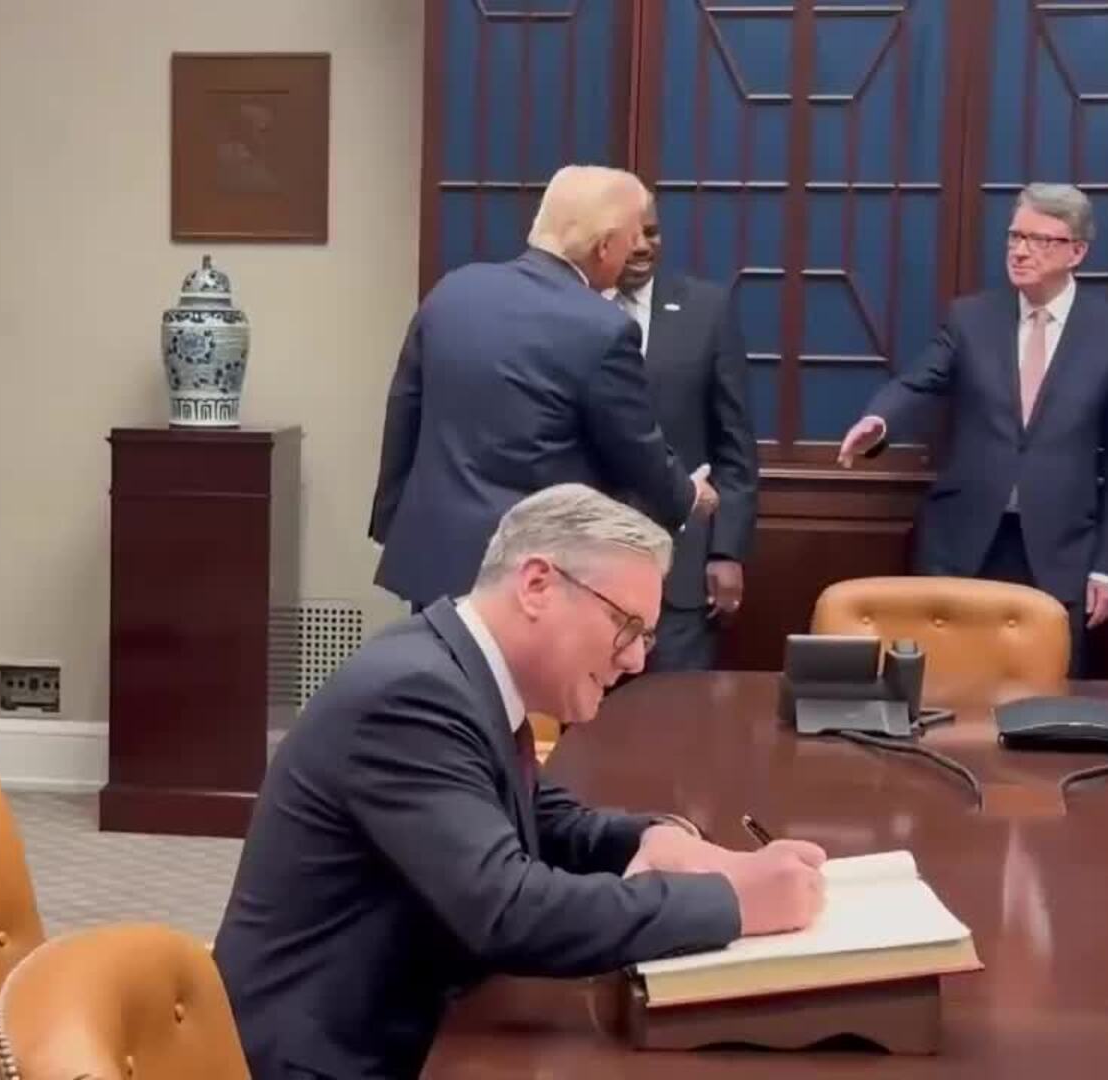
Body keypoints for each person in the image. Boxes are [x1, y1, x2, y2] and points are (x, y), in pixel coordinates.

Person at [215, 484, 827, 1079]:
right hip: (334, 1057)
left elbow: (542, 818)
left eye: (644, 637)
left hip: (416, 1022)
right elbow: (507, 910)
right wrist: (734, 903)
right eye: (626, 626)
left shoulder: (458, 671)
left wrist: (652, 839)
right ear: (537, 585)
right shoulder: (412, 694)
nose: (636, 659)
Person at [368, 165, 717, 612]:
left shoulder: (453, 292)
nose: (637, 250)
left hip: (437, 561)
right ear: (604, 246)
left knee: (442, 660)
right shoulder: (603, 329)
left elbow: (404, 412)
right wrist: (687, 496)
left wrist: (390, 522)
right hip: (532, 574)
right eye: (632, 239)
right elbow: (635, 447)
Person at [836, 183, 1108, 673]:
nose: (1020, 251)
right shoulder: (972, 317)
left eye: (1039, 240)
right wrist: (879, 420)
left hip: (1060, 549)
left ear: (1077, 252)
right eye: (1015, 236)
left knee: (1046, 694)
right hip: (964, 539)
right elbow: (918, 381)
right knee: (944, 685)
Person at [609, 197, 758, 670]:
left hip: (681, 572)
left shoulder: (707, 309)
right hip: (590, 567)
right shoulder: (569, 310)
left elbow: (735, 444)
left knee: (680, 710)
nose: (642, 246)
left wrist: (727, 550)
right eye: (630, 235)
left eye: (652, 233)